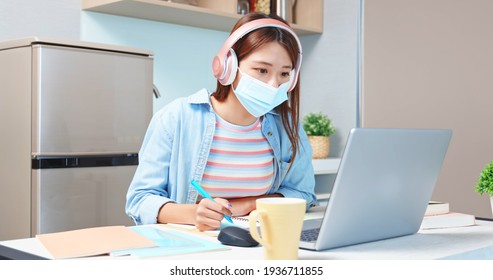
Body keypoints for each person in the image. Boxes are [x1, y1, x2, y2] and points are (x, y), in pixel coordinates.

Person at [126, 12, 316, 231]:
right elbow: (139, 200)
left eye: (284, 74)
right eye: (262, 70)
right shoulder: (176, 118)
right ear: (227, 66)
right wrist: (193, 213)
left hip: (258, 242)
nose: (274, 85)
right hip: (194, 246)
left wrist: (246, 204)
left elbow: (303, 194)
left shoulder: (286, 126)